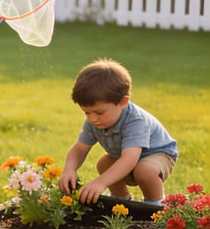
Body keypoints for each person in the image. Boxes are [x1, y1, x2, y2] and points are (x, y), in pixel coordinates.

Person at [59, 58, 177, 205]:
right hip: (127, 156)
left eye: (99, 112)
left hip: (158, 154)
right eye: (86, 113)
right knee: (103, 164)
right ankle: (121, 201)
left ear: (123, 102)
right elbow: (79, 149)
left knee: (144, 170)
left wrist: (100, 183)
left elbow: (129, 160)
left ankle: (155, 205)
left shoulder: (135, 121)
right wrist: (69, 169)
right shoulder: (94, 121)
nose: (93, 119)